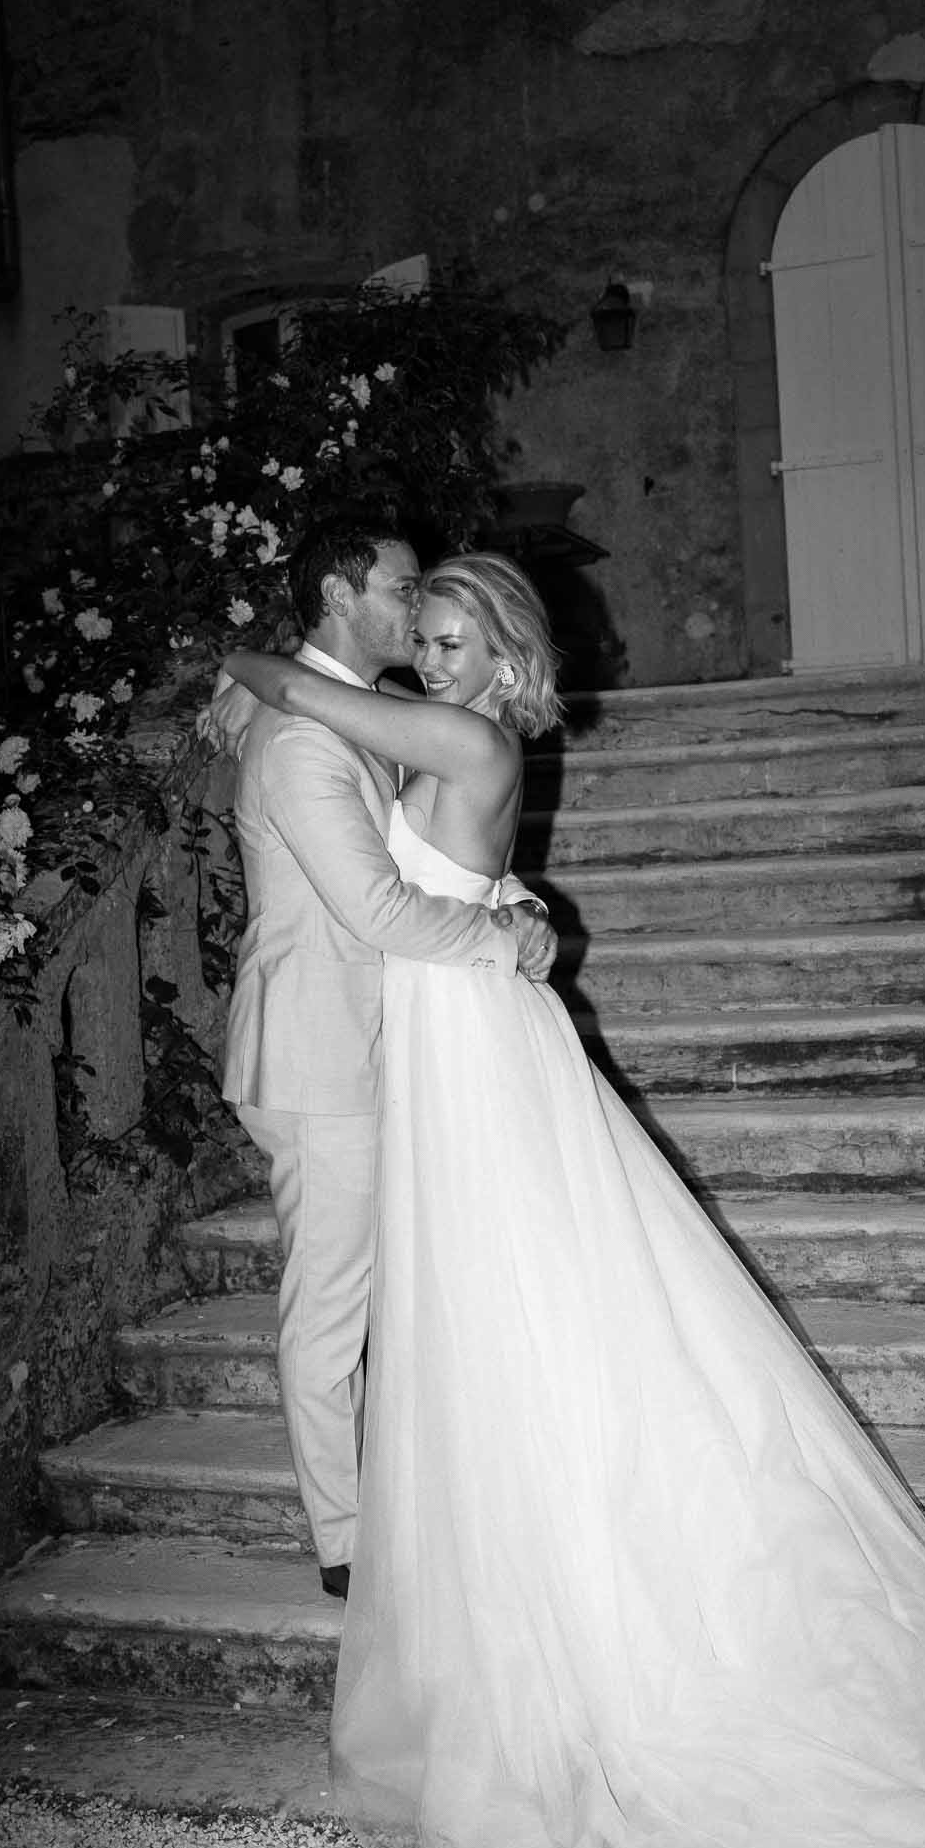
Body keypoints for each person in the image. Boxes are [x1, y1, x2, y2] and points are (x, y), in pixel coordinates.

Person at [210, 547, 925, 1848]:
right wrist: (506, 915)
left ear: (504, 655)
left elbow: (329, 757)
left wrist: (252, 672)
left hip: (466, 1041)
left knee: (508, 1295)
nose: (438, 650)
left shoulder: (452, 733)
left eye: (460, 634)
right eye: (428, 627)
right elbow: (319, 741)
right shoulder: (403, 728)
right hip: (440, 1047)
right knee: (474, 1310)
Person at [204, 518, 555, 1603]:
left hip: (392, 1040)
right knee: (330, 1303)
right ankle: (348, 1541)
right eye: (402, 590)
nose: (415, 611)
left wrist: (517, 901)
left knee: (402, 1285)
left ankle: (415, 1497)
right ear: (340, 592)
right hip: (322, 1047)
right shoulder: (305, 734)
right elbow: (375, 907)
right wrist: (500, 938)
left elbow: (451, 851)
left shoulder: (372, 716)